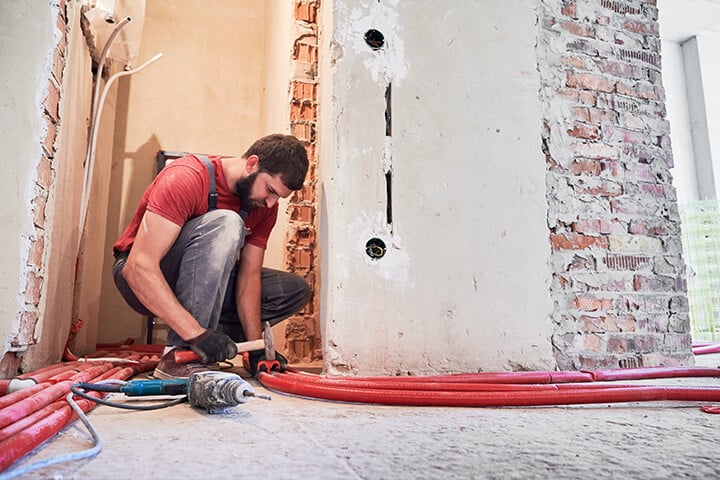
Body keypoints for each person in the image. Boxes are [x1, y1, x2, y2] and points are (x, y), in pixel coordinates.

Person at [112, 134, 311, 379]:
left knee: (293, 290)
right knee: (227, 222)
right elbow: (138, 267)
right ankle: (180, 354)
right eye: (270, 190)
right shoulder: (187, 177)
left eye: (278, 197)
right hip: (142, 275)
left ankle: (207, 341)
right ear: (252, 164)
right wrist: (196, 334)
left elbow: (248, 279)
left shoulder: (264, 207)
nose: (271, 204)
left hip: (204, 285)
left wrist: (255, 346)